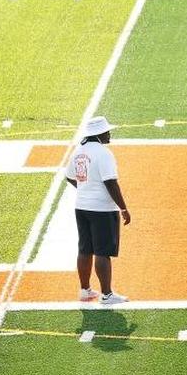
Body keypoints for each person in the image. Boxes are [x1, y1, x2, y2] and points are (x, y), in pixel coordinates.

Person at [66, 116, 131, 305]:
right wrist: (123, 208)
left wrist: (86, 188)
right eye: (107, 131)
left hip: (82, 206)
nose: (109, 134)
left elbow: (70, 177)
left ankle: (85, 290)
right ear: (99, 133)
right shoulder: (104, 153)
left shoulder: (79, 151)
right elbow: (111, 182)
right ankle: (107, 294)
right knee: (103, 252)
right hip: (102, 209)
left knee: (85, 249)